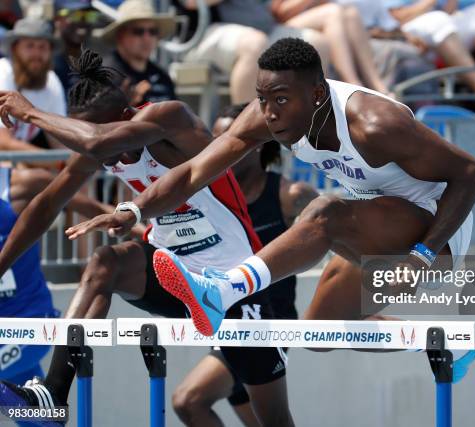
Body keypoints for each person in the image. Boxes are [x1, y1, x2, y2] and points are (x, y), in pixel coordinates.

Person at [60, 39, 475, 355]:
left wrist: (421, 256)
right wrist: (134, 208)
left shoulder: (373, 125)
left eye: (281, 99)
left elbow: (471, 175)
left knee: (324, 211)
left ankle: (222, 292)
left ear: (318, 95)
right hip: (376, 223)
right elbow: (192, 172)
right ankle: (448, 346)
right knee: (319, 336)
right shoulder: (264, 116)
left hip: (434, 237)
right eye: (263, 99)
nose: (271, 113)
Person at [0, 50, 294, 426]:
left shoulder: (169, 118)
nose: (108, 160)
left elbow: (94, 142)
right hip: (173, 276)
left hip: (233, 284)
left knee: (272, 418)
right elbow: (44, 206)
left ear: (126, 119)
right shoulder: (102, 149)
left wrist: (31, 112)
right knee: (106, 263)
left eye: (110, 143)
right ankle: (53, 394)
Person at [173, 104, 319, 425]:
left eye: (229, 138)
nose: (219, 148)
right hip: (225, 323)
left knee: (189, 400)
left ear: (255, 144)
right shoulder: (207, 198)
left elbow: (333, 237)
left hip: (268, 323)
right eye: (215, 140)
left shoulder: (291, 195)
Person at [0, 165, 139, 413]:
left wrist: (146, 231)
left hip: (30, 323)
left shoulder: (23, 182)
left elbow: (93, 209)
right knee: (36, 415)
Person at [179, 0, 330, 105]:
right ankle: (246, 132)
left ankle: (313, 125)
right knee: (254, 44)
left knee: (316, 44)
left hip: (257, 29)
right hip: (198, 36)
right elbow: (190, 2)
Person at [270, 0, 393, 96]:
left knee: (351, 13)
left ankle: (378, 87)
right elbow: (279, 13)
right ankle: (353, 85)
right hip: (277, 27)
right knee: (332, 12)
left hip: (307, 19)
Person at [0, 17, 66, 151]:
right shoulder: (2, 73)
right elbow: (3, 142)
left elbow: (59, 140)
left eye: (42, 47)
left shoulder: (51, 81)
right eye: (30, 46)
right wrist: (59, 162)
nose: (37, 54)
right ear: (15, 49)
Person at [99, 0, 177, 105]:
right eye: (138, 31)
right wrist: (122, 108)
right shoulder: (102, 77)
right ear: (120, 36)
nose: (147, 38)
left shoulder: (162, 78)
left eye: (152, 31)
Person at [53, 0, 100, 94]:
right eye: (75, 15)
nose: (83, 21)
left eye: (89, 16)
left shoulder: (95, 63)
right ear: (58, 19)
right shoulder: (43, 61)